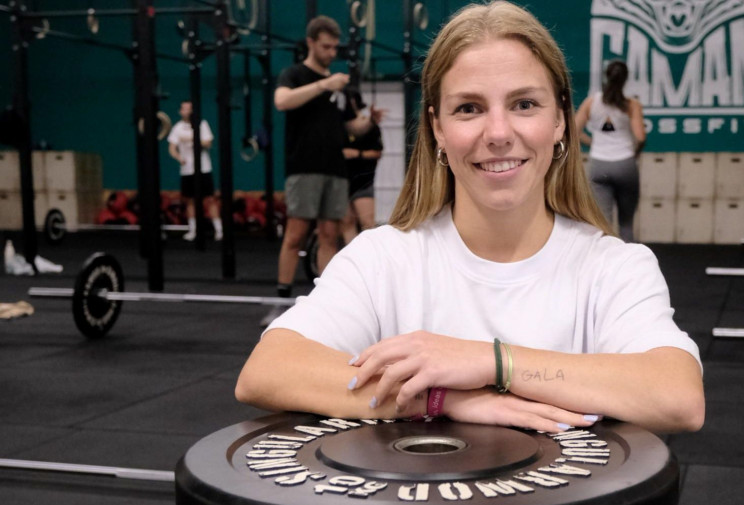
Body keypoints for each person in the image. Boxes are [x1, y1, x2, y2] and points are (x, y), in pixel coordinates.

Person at [237, 1, 704, 434]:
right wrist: (441, 397)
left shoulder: (615, 268)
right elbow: (268, 370)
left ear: (561, 119)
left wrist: (492, 363)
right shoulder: (383, 259)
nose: (499, 133)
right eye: (469, 108)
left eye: (524, 104)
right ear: (438, 127)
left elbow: (677, 395)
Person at [262, 15, 383, 326]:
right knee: (296, 234)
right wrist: (323, 84)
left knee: (330, 234)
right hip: (304, 167)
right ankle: (280, 300)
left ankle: (325, 301)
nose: (331, 53)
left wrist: (370, 121)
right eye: (326, 47)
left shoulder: (339, 88)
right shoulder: (295, 74)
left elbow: (349, 125)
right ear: (312, 43)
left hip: (335, 169)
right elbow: (281, 101)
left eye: (334, 48)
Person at [574, 60, 646, 243]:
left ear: (606, 77)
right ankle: (629, 269)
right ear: (625, 79)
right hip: (625, 164)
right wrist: (634, 152)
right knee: (626, 224)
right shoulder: (632, 104)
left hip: (599, 164)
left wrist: (592, 143)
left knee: (603, 225)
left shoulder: (592, 102)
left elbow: (574, 131)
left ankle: (604, 269)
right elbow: (640, 136)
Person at [167, 101, 222, 241]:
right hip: (187, 170)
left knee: (209, 199)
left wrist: (190, 137)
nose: (186, 111)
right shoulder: (177, 128)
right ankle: (193, 231)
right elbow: (172, 147)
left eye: (189, 109)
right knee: (190, 201)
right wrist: (179, 157)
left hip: (203, 169)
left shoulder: (202, 124)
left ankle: (219, 230)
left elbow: (208, 142)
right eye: (184, 109)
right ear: (180, 111)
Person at [341, 89, 383, 245]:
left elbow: (377, 152)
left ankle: (372, 262)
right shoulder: (341, 126)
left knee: (368, 224)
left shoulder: (370, 126)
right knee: (347, 224)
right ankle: (352, 258)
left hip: (363, 180)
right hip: (343, 180)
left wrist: (357, 154)